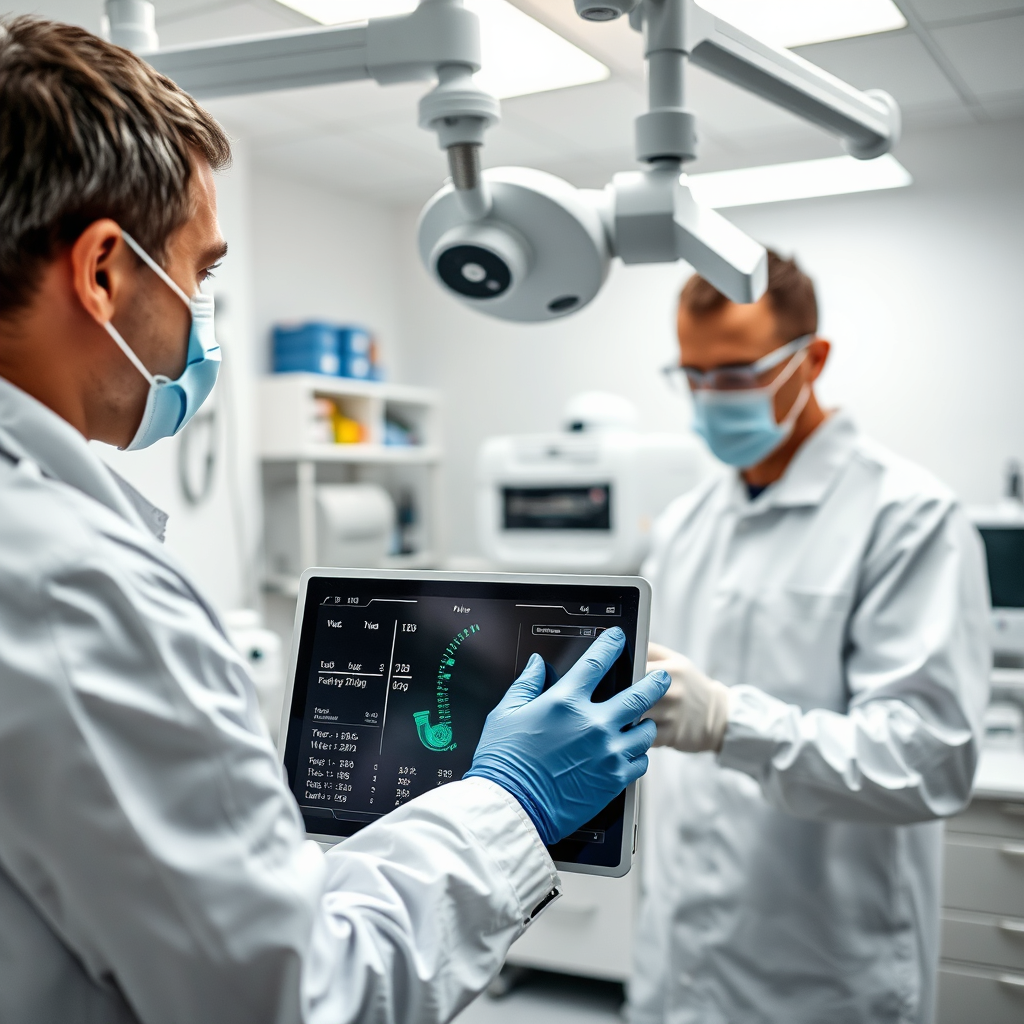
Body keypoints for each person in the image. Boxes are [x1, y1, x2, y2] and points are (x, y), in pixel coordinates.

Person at [0, 17, 670, 1024]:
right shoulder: (66, 585)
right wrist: (511, 801)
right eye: (202, 272)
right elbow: (298, 997)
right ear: (103, 272)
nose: (199, 310)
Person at [629, 251, 991, 1024]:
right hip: (681, 960)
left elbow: (928, 762)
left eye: (732, 376)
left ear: (811, 359)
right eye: (691, 375)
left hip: (825, 969)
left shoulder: (908, 518)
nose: (706, 398)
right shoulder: (688, 524)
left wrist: (731, 722)